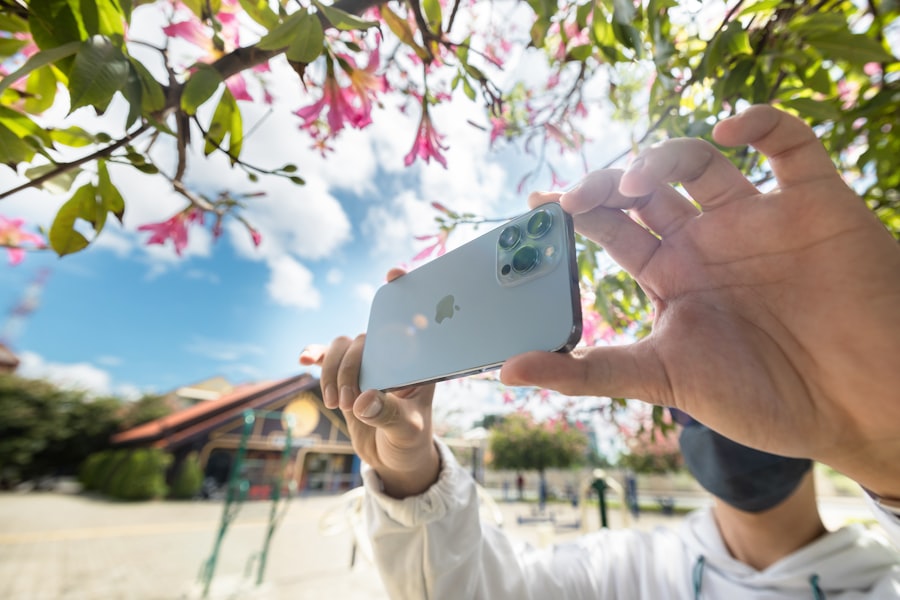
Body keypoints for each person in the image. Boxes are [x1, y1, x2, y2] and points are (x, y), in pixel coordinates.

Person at [299, 105, 900, 594]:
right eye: (693, 411)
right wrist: (412, 478)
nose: (720, 425)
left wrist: (885, 441)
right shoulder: (621, 571)